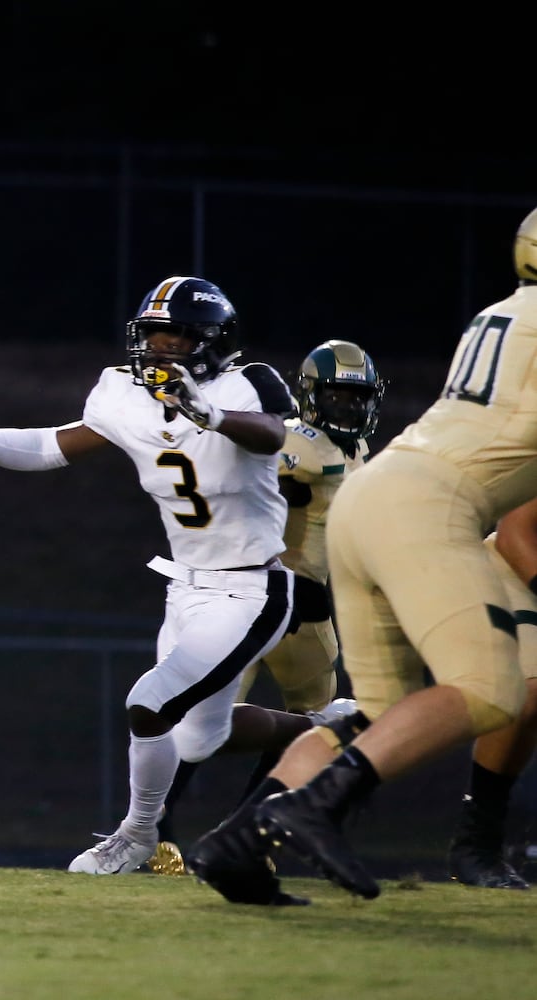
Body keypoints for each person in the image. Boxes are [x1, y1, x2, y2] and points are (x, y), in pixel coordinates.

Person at [187, 207, 537, 903]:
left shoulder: (504, 314)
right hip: (427, 504)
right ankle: (309, 808)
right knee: (489, 689)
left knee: (379, 708)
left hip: (371, 493)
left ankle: (238, 843)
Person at [0, 275, 305, 877]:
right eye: (152, 335)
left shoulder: (248, 382)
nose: (159, 348)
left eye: (175, 336)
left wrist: (211, 414)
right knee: (200, 738)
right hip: (186, 585)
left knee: (149, 702)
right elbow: (57, 445)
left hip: (250, 588)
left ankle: (136, 836)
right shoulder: (122, 392)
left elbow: (271, 435)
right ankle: (336, 728)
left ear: (209, 341)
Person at [150, 340, 384, 874]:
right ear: (309, 395)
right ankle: (155, 831)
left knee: (313, 725)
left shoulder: (355, 450)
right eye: (337, 397)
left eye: (357, 398)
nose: (349, 408)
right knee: (196, 717)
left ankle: (249, 830)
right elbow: (241, 493)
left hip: (312, 610)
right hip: (261, 597)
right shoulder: (296, 444)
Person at [446, 497, 537, 889]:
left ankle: (488, 844)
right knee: (525, 690)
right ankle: (474, 843)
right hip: (514, 571)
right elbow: (514, 532)